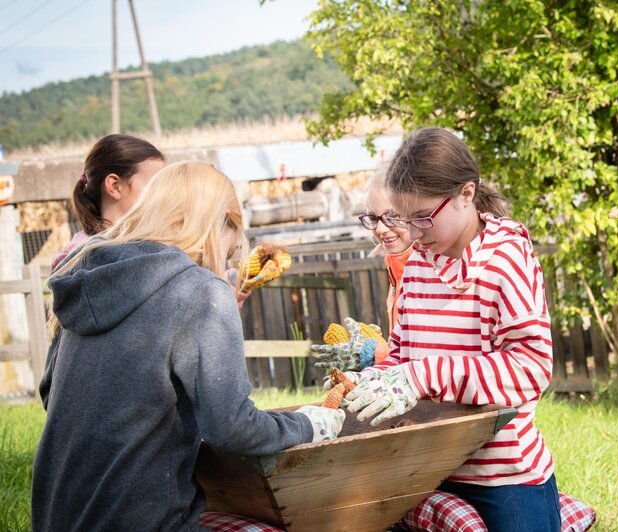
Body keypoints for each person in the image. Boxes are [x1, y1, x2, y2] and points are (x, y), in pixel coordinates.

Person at [33, 161, 345, 532]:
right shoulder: (201, 290)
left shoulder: (86, 271)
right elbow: (232, 430)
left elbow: (50, 392)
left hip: (57, 518)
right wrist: (308, 425)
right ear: (222, 223)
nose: (229, 258)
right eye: (233, 247)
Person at [344, 127, 561, 532]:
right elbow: (404, 360)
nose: (414, 232)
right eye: (404, 218)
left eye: (424, 217)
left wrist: (424, 374)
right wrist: (368, 383)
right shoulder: (418, 265)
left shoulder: (506, 260)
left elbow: (531, 369)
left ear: (466, 194)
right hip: (426, 469)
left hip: (503, 476)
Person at [51, 133, 165, 271]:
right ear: (115, 187)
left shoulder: (154, 244)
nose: (163, 194)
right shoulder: (80, 260)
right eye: (152, 185)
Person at [359, 166, 415, 335]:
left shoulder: (431, 272)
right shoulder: (396, 271)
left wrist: (380, 354)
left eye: (393, 216)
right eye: (374, 218)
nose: (381, 229)